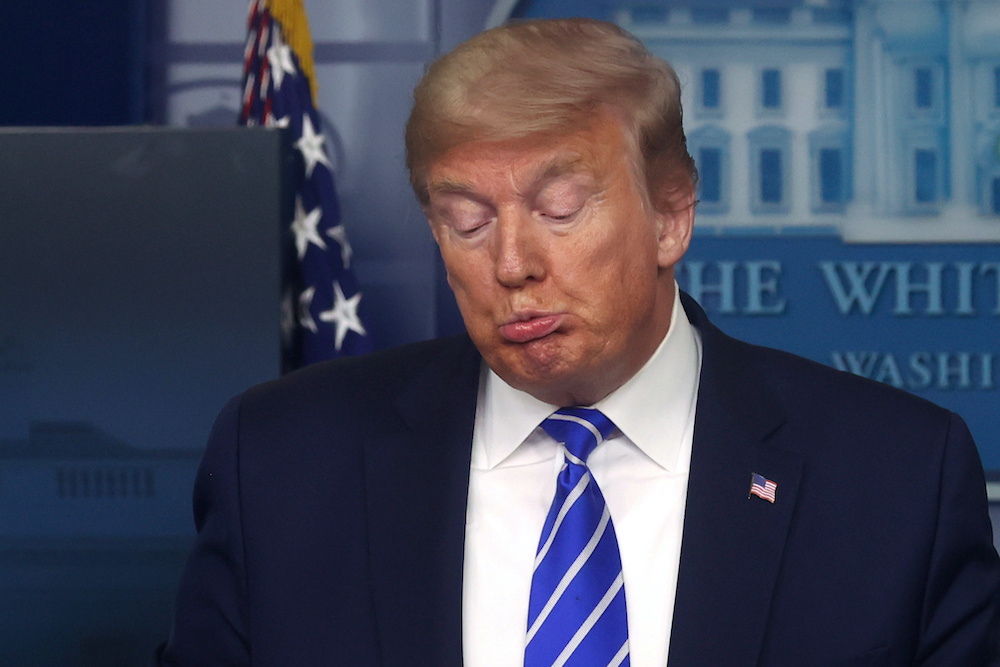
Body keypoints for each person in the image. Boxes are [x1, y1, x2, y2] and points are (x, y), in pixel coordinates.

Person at [157, 18, 1000, 666]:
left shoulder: (897, 481)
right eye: (467, 221)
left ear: (671, 214)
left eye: (560, 211)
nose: (513, 263)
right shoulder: (282, 466)